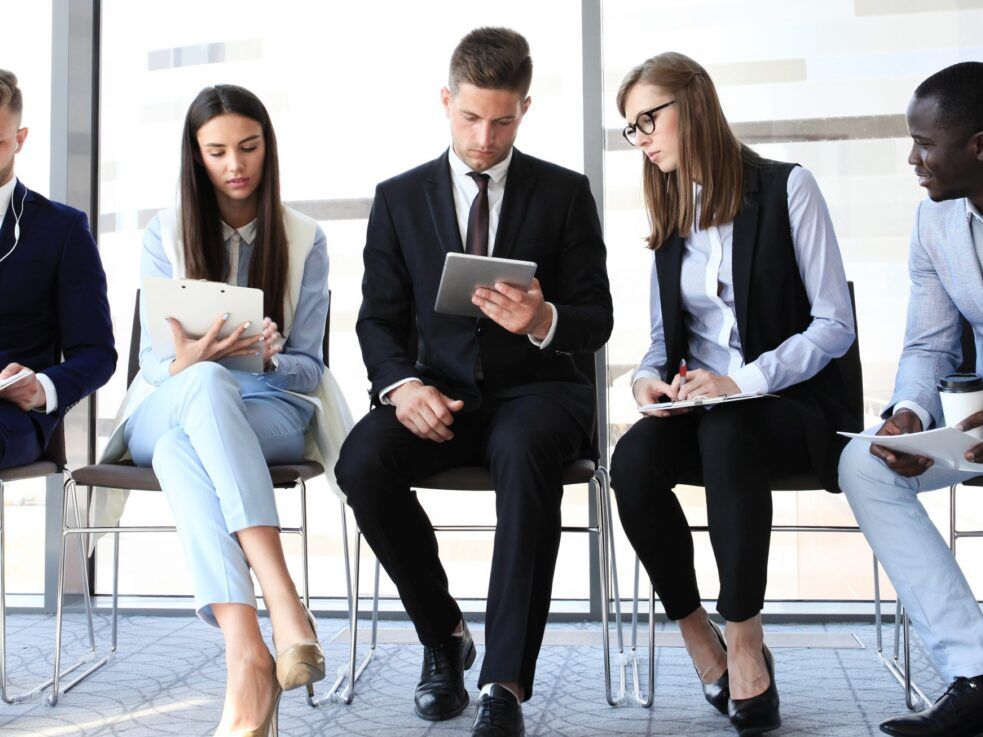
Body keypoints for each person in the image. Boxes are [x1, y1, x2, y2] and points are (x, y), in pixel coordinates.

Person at [335, 27, 612, 737]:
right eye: (469, 118)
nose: (484, 138)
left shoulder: (563, 193)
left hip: (539, 392)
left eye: (502, 120)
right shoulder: (397, 198)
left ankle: (503, 684)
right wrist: (401, 388)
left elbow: (596, 317)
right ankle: (444, 634)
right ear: (445, 101)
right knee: (361, 462)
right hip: (439, 389)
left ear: (523, 107)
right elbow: (378, 322)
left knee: (524, 457)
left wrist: (542, 315)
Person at [609, 52, 858, 736]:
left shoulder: (786, 188)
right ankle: (696, 632)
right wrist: (645, 381)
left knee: (729, 431)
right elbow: (662, 344)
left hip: (787, 406)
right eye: (631, 129)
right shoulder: (669, 211)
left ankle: (743, 636)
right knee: (631, 461)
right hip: (703, 405)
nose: (642, 139)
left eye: (647, 120)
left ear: (692, 104)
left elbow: (833, 324)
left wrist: (739, 383)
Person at [99, 84, 350, 737]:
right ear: (196, 156)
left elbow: (311, 365)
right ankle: (284, 603)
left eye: (248, 147)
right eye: (217, 152)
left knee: (191, 445)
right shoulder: (164, 231)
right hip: (171, 399)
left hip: (267, 405)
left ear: (268, 147)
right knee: (202, 385)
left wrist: (268, 358)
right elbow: (154, 365)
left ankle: (247, 659)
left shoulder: (305, 238)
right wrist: (193, 357)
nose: (235, 164)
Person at [838, 61, 983, 737]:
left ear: (977, 145)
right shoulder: (934, 222)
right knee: (866, 462)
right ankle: (978, 671)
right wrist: (910, 417)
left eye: (924, 143)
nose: (912, 157)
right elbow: (927, 345)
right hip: (971, 426)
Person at [0, 68, 115, 470]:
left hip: (14, 417)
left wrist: (42, 389)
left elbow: (97, 352)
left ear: (20, 139)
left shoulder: (61, 230)